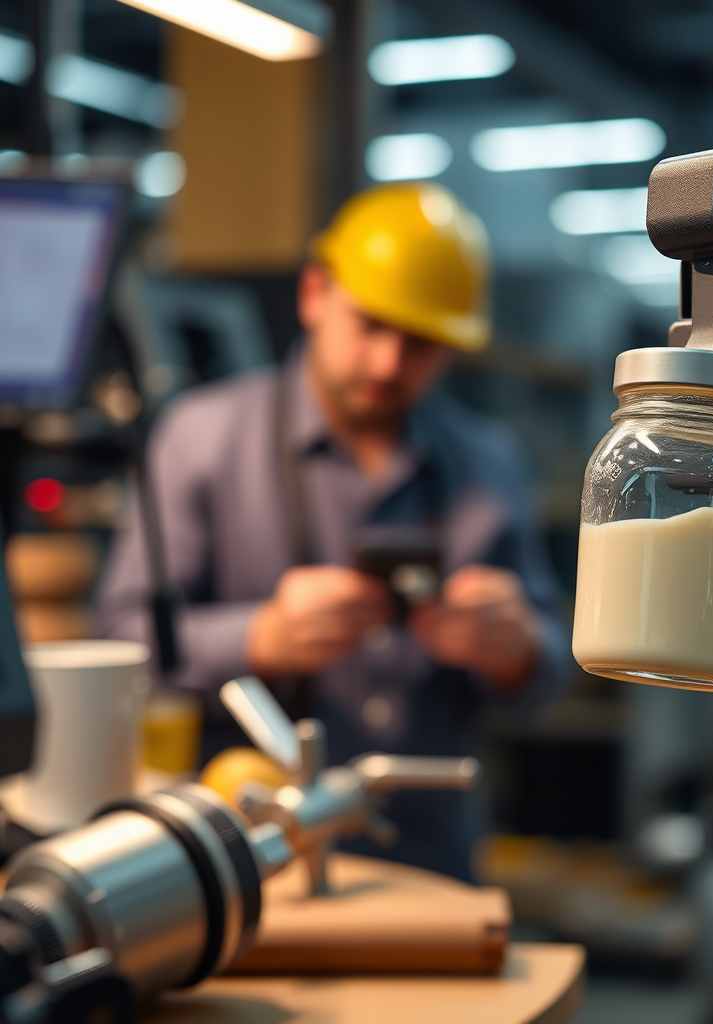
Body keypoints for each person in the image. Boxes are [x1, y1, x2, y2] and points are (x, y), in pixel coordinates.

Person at [95, 183, 570, 880]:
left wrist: (519, 648)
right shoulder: (197, 440)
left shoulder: (490, 463)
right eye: (371, 325)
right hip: (245, 869)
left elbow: (553, 667)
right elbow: (119, 642)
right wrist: (259, 638)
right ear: (315, 293)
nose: (387, 364)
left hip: (430, 864)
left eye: (421, 343)